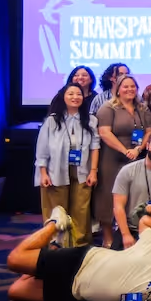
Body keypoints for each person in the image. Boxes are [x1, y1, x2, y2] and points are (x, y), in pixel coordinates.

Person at [5, 207, 151, 301]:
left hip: (74, 292)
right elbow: (145, 220)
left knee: (15, 291)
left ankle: (54, 251)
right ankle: (55, 224)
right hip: (81, 262)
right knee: (15, 260)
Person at [35, 83, 100, 248]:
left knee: (81, 209)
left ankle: (80, 245)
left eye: (78, 94)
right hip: (55, 170)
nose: (75, 97)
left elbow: (95, 147)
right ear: (63, 97)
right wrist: (43, 173)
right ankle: (55, 244)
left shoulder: (90, 120)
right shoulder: (52, 120)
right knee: (56, 210)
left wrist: (93, 171)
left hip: (82, 170)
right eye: (70, 94)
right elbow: (42, 150)